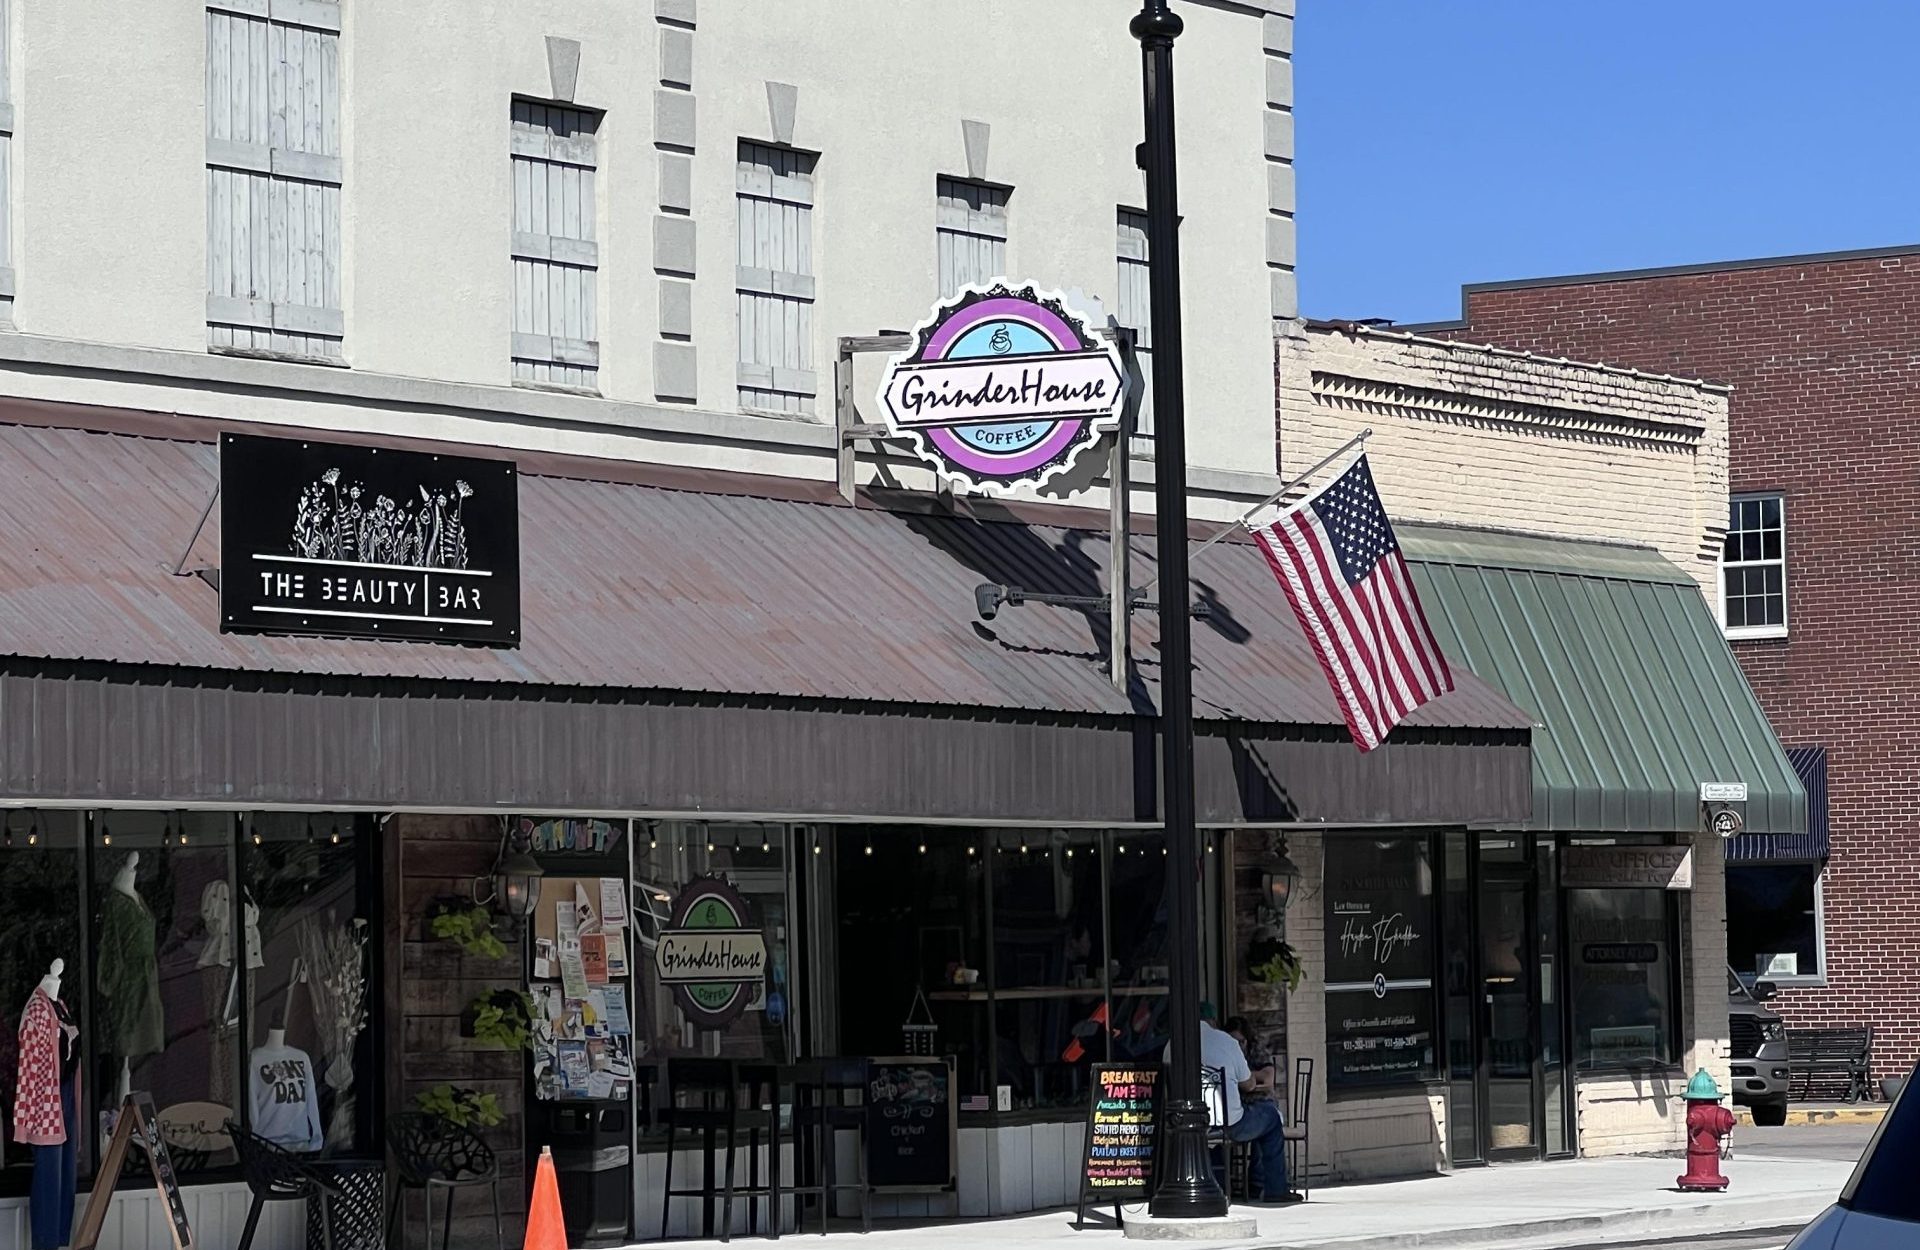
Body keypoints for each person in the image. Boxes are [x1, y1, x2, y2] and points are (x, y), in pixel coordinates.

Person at [1164, 1002, 1298, 1204]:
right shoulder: (1225, 1041)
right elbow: (1248, 1084)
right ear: (1213, 1022)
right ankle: (1273, 1189)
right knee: (1270, 1117)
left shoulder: (1171, 1044)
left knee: (1215, 1138)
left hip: (1185, 1122)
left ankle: (1220, 1185)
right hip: (1229, 1124)